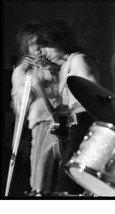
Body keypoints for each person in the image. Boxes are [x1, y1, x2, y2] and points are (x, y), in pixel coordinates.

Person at [38, 19, 100, 194]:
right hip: (74, 125)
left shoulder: (78, 60)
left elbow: (93, 95)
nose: (43, 52)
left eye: (48, 45)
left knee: (67, 185)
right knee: (70, 184)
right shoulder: (66, 66)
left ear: (60, 41)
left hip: (84, 122)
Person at [11, 20, 62, 195]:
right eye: (34, 44)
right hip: (43, 122)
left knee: (64, 175)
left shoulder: (58, 65)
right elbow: (19, 104)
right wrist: (30, 79)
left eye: (43, 43)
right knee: (41, 175)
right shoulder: (22, 71)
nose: (39, 49)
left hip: (66, 121)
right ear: (26, 47)